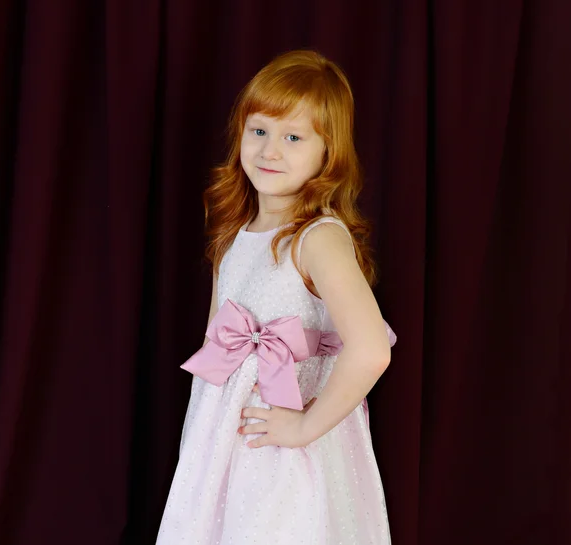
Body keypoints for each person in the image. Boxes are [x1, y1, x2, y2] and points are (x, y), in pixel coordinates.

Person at [155, 49, 397, 545]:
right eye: (259, 130)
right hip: (226, 446)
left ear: (327, 153)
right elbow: (214, 349)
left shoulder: (317, 237)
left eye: (293, 137)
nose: (270, 150)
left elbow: (371, 350)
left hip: (284, 450)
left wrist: (305, 427)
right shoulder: (235, 235)